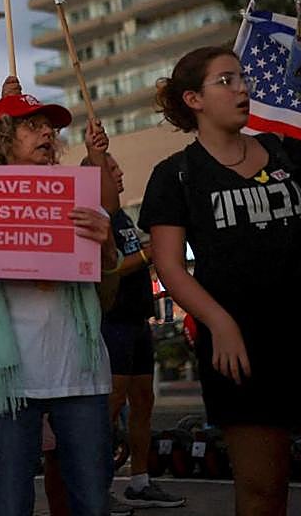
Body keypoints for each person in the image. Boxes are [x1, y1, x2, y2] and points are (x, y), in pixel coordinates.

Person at [140, 46, 301, 516]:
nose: (242, 87)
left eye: (242, 77)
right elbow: (168, 267)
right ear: (194, 99)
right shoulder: (175, 176)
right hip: (241, 352)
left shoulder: (281, 150)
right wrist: (219, 324)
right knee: (261, 494)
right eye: (225, 81)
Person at [0, 77, 119, 516]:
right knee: (11, 504)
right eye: (32, 126)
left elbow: (108, 290)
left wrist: (106, 244)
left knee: (92, 503)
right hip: (7, 382)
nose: (47, 134)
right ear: (1, 139)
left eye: (49, 127)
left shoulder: (80, 195)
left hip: (81, 374)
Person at [96, 152, 185, 510]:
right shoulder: (99, 219)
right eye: (111, 169)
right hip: (112, 322)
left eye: (117, 167)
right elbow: (109, 268)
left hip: (137, 321)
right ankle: (98, 486)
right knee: (111, 404)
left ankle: (140, 480)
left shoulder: (123, 218)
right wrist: (149, 254)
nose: (118, 174)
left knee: (143, 403)